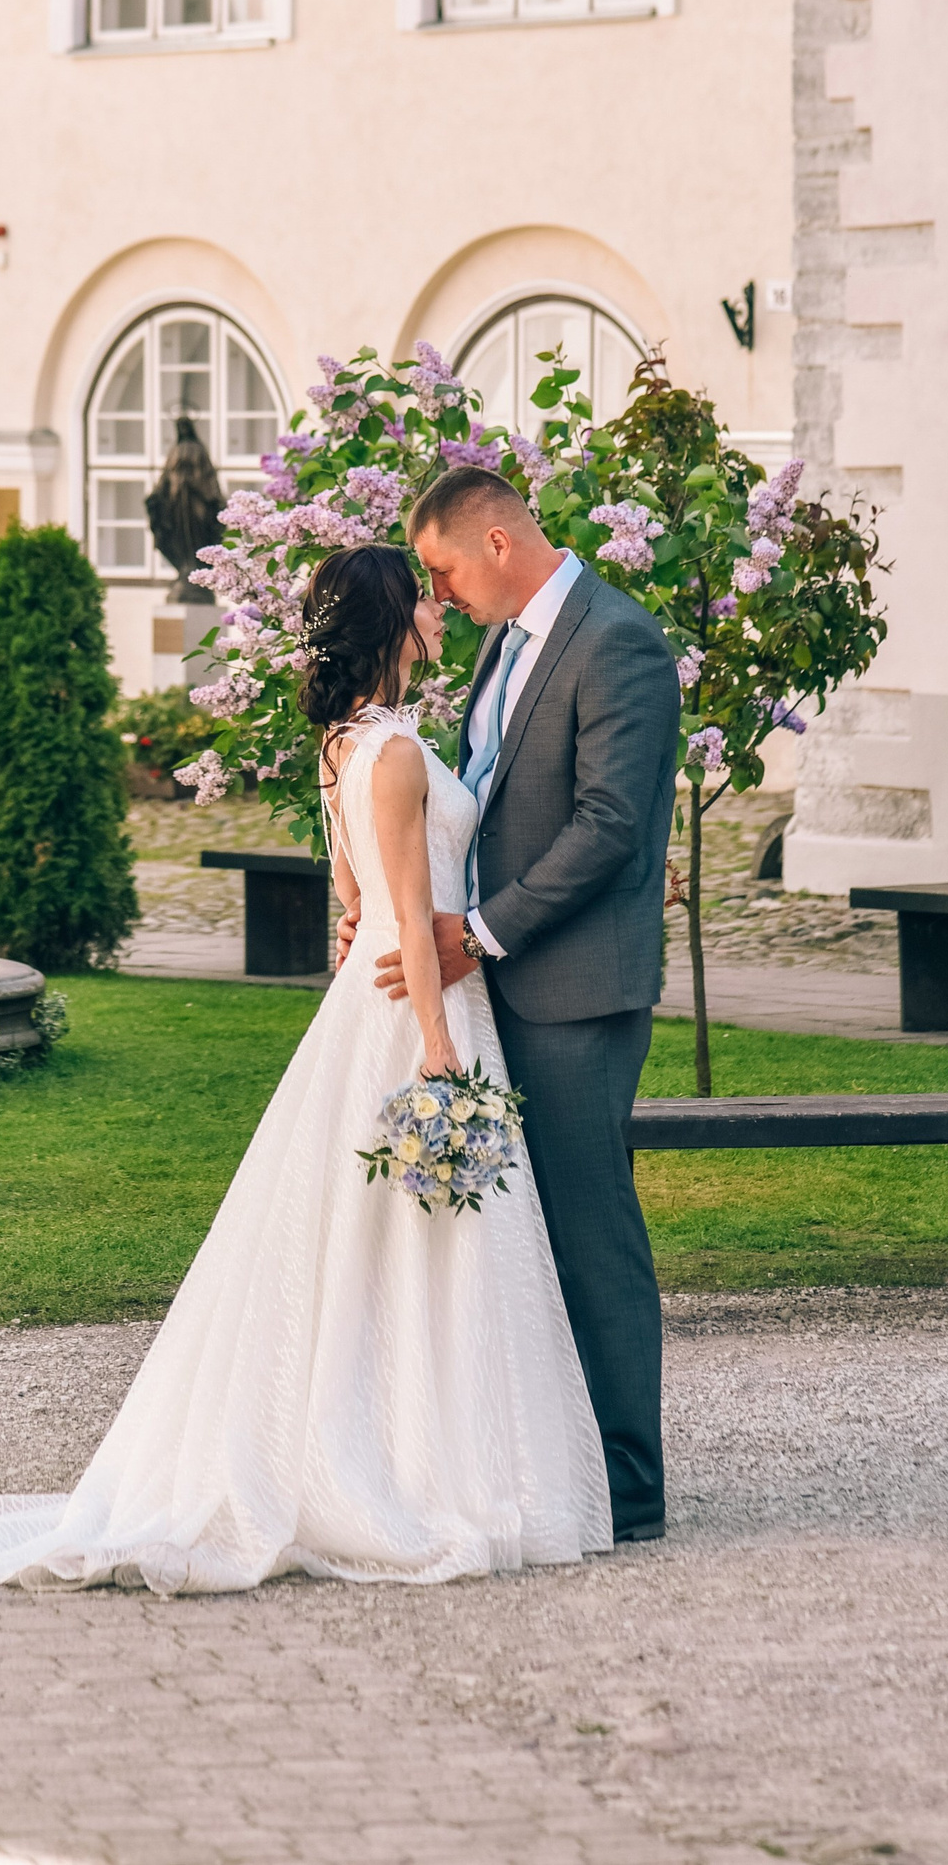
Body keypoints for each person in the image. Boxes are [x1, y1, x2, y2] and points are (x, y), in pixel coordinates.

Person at [0, 541, 609, 1595]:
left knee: (364, 1237)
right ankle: (427, 1462)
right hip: (417, 1003)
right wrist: (441, 1052)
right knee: (422, 1236)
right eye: (423, 600)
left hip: (367, 993)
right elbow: (411, 916)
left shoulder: (341, 743)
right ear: (390, 622)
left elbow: (352, 899)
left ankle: (384, 1437)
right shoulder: (398, 752)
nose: (440, 612)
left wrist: (375, 932)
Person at [343, 464, 678, 1545]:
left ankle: (629, 1490)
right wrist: (387, 913)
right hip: (486, 984)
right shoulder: (502, 644)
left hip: (574, 988)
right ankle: (547, 1469)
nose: (436, 596)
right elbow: (475, 808)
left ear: (496, 541)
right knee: (511, 1242)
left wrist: (477, 933)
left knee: (588, 1232)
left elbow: (610, 823)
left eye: (441, 569)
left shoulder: (616, 640)